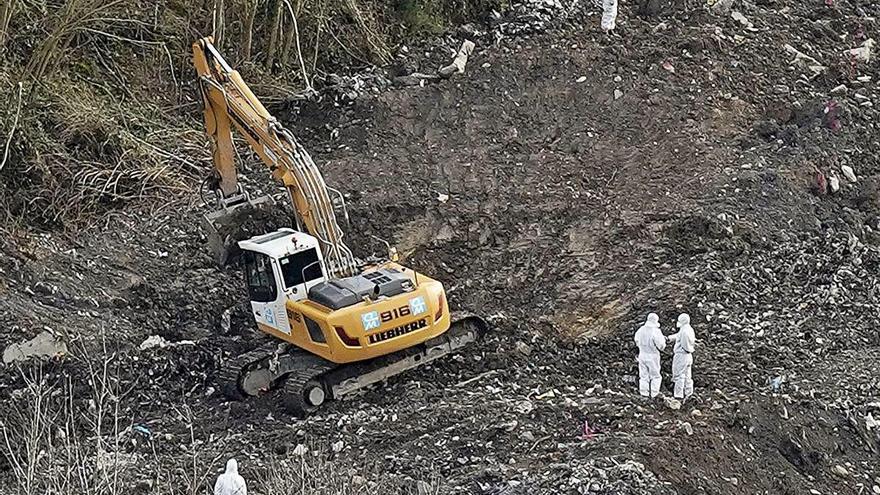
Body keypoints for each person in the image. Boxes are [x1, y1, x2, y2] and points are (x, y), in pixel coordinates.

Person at [634, 313, 666, 397]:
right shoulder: (655, 331)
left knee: (643, 376)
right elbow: (661, 346)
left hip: (642, 355)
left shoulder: (641, 329)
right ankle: (654, 394)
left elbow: (636, 340)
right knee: (655, 376)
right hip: (653, 356)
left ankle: (644, 393)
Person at [667, 313, 696, 399]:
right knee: (688, 376)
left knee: (679, 376)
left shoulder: (684, 331)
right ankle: (689, 394)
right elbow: (678, 335)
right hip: (688, 356)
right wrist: (669, 338)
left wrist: (688, 349)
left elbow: (684, 343)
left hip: (682, 355)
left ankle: (678, 395)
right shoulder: (688, 329)